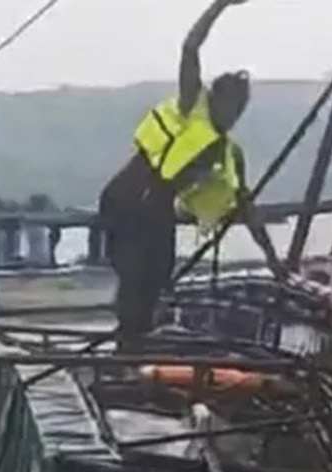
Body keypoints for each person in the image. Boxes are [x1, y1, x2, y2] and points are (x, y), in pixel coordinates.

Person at [99, 0, 284, 350]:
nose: (235, 113)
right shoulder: (190, 105)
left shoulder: (229, 153)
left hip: (157, 213)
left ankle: (139, 351)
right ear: (216, 98)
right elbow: (190, 46)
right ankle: (125, 352)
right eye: (232, 104)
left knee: (159, 281)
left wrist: (275, 264)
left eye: (241, 108)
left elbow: (249, 209)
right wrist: (221, 6)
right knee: (134, 280)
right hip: (126, 200)